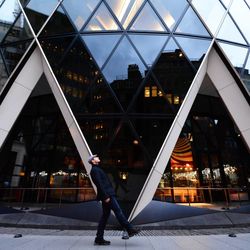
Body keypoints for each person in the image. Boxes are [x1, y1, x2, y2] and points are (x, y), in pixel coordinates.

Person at [89, 154, 140, 245]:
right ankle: (129, 229)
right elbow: (99, 184)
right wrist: (105, 196)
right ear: (93, 161)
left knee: (105, 217)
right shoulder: (94, 170)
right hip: (107, 195)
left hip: (107, 195)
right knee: (118, 211)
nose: (98, 157)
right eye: (95, 157)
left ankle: (99, 238)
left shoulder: (97, 169)